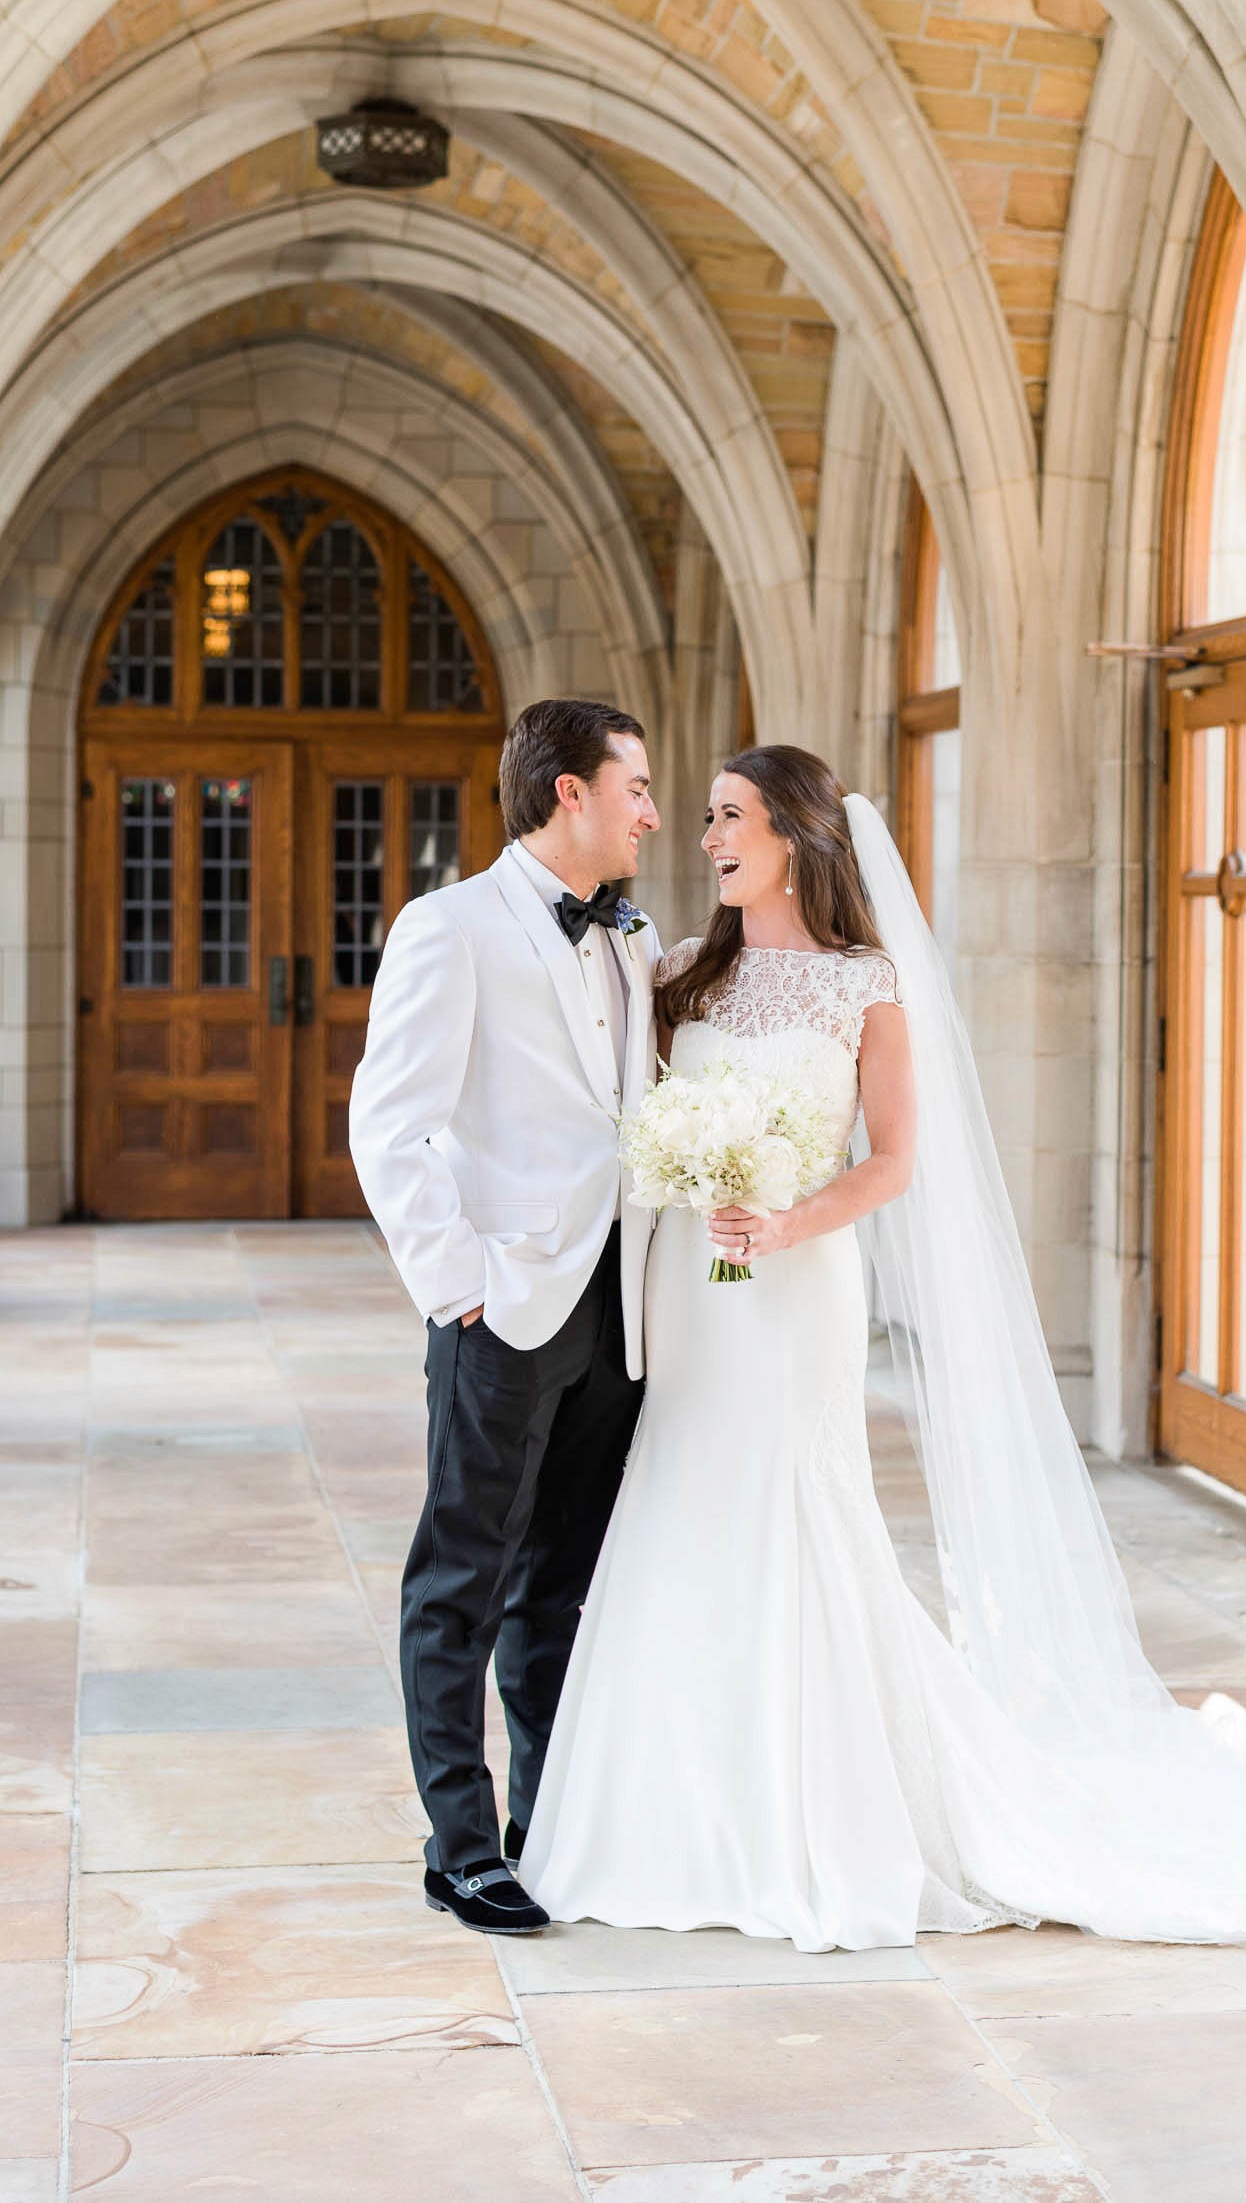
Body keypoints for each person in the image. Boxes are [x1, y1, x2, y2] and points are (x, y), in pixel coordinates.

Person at [519, 744, 1246, 1951]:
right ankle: (664, 1819)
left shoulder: (864, 985)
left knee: (794, 1519)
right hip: (693, 1295)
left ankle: (816, 1823)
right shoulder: (676, 974)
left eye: (729, 817)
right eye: (703, 816)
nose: (706, 836)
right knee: (679, 1510)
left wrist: (787, 1219)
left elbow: (892, 1162)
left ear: (799, 837)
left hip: (792, 1287)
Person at [348, 698, 661, 1934]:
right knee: (462, 1579)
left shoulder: (633, 937)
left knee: (562, 1583)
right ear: (567, 795)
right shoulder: (450, 927)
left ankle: (549, 1821)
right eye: (633, 785)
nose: (650, 810)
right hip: (505, 1304)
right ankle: (460, 1844)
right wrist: (460, 1287)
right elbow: (390, 1121)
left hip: (617, 1308)